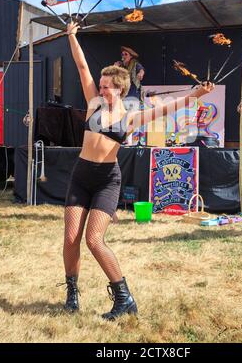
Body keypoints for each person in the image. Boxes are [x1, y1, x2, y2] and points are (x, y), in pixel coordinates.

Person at [62, 20, 214, 320]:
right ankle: (72, 292)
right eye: (100, 84)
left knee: (94, 240)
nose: (99, 88)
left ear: (119, 89)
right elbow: (81, 67)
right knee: (70, 238)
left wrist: (194, 97)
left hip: (106, 180)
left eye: (105, 86)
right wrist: (71, 36)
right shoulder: (93, 105)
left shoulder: (130, 118)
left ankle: (124, 298)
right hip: (81, 176)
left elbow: (166, 108)